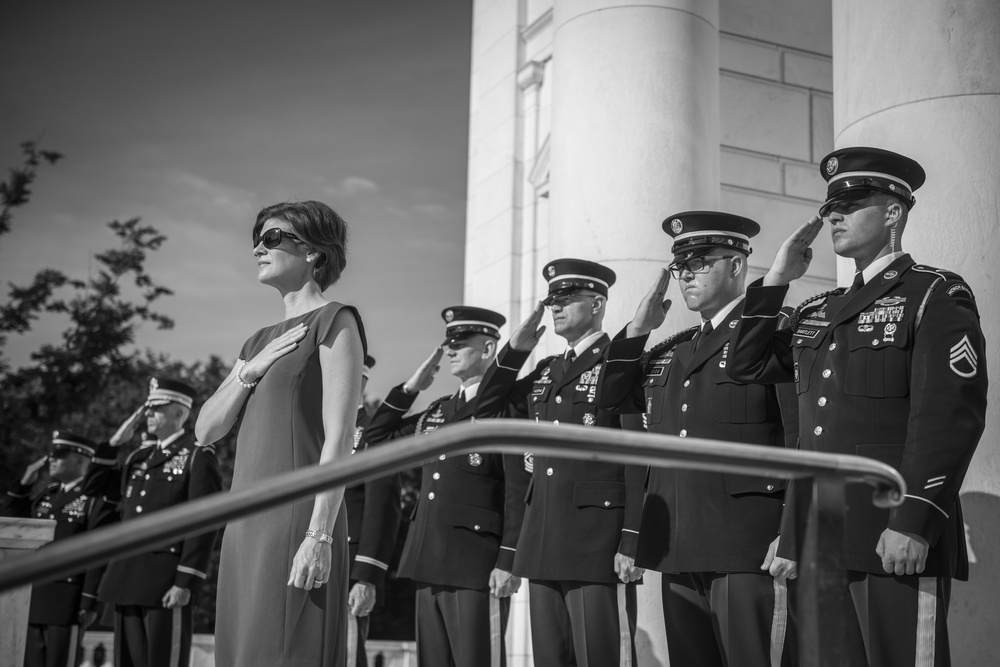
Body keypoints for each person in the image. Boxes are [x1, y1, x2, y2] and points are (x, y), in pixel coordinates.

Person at [728, 147, 988, 666]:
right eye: (830, 209)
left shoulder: (934, 293)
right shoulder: (816, 309)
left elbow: (948, 415)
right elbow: (746, 365)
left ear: (893, 211)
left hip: (888, 535)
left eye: (851, 203)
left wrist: (914, 519)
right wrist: (777, 279)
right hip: (815, 539)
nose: (834, 218)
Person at [598, 212, 797, 667]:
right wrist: (638, 330)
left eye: (700, 262)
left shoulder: (773, 330)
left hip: (749, 543)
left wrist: (792, 526)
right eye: (680, 266)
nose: (686, 273)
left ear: (737, 265)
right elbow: (612, 400)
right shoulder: (674, 349)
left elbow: (797, 432)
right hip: (680, 546)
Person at [195, 200, 366, 667]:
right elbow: (206, 429)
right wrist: (251, 369)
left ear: (312, 251)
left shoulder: (336, 321)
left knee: (286, 651)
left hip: (296, 521)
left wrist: (319, 536)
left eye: (271, 238)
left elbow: (339, 439)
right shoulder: (257, 341)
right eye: (256, 239)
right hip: (245, 523)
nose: (257, 248)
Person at [473, 259, 645, 667]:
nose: (557, 308)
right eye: (553, 301)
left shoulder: (619, 361)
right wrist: (515, 349)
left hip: (597, 539)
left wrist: (633, 537)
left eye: (568, 299)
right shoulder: (547, 370)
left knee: (601, 656)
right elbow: (485, 405)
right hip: (544, 534)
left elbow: (638, 454)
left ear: (598, 303)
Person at [363, 306, 529, 667]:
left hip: (476, 563)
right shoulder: (438, 411)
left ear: (487, 350)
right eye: (449, 343)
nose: (450, 350)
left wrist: (509, 561)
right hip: (428, 557)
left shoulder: (507, 408)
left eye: (461, 343)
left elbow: (518, 490)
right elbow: (376, 440)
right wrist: (411, 388)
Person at [97, 378, 222, 667]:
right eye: (148, 409)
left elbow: (204, 520)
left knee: (162, 661)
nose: (148, 415)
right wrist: (112, 447)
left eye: (157, 409)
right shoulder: (137, 457)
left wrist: (186, 580)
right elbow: (100, 497)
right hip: (126, 576)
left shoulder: (196, 455)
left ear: (179, 413)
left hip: (165, 582)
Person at [2, 431, 114, 667]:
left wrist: (89, 601)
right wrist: (23, 487)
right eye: (52, 455)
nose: (52, 460)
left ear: (81, 461)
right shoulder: (48, 494)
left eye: (60, 456)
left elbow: (96, 551)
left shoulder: (92, 498)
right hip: (33, 596)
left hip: (66, 601)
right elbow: (16, 528)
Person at [344, 354, 401, 667]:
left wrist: (366, 578)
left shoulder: (374, 435)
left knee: (346, 656)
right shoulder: (312, 431)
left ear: (359, 381)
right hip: (299, 563)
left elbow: (383, 510)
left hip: (347, 567)